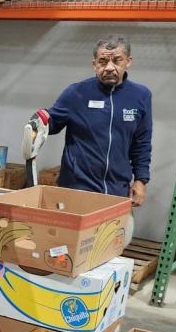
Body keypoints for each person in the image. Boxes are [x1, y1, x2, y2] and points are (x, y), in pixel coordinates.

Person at [28, 35, 152, 206]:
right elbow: (52, 123)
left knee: (114, 232)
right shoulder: (76, 93)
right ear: (94, 64)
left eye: (116, 60)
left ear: (128, 61)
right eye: (102, 61)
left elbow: (142, 142)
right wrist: (40, 121)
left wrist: (141, 180)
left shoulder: (141, 96)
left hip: (117, 191)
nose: (109, 67)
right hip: (76, 188)